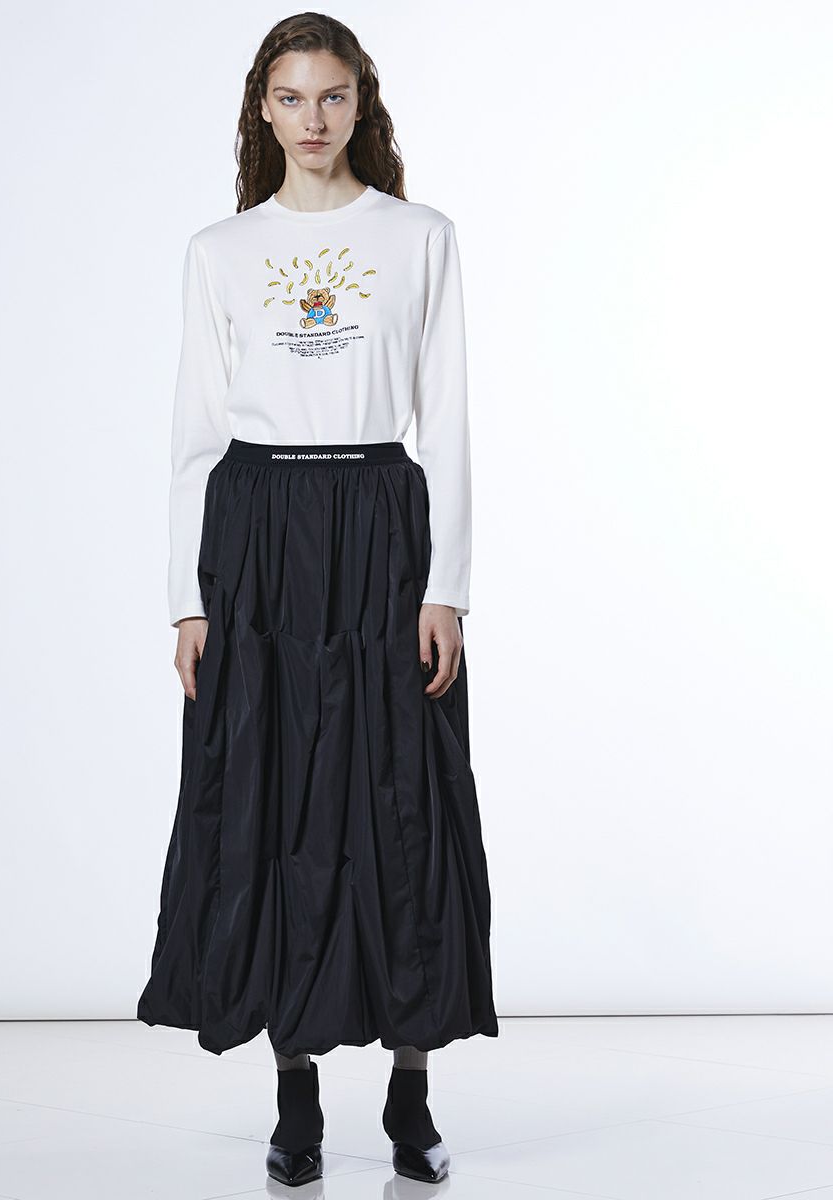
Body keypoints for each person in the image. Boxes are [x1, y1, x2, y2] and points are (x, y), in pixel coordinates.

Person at [136, 12, 499, 1188]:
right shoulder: (220, 251)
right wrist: (187, 602)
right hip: (256, 537)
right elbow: (195, 435)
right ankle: (294, 1099)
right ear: (262, 107)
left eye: (331, 96)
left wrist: (445, 586)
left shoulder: (420, 237)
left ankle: (410, 1093)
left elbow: (445, 420)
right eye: (290, 97)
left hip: (381, 523)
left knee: (400, 804)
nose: (311, 119)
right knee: (273, 801)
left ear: (360, 104)